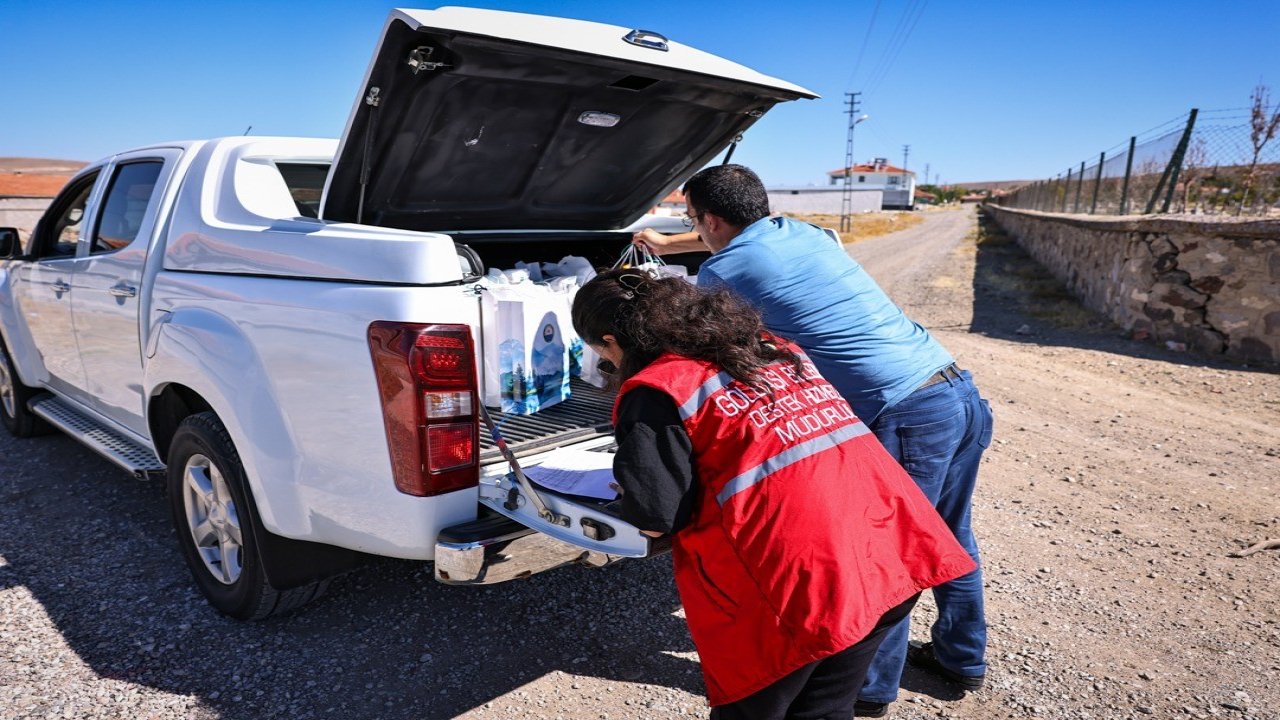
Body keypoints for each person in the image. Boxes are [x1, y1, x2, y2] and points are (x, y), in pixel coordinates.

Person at [635, 165, 994, 718]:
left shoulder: (720, 272)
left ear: (709, 220)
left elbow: (699, 341)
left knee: (886, 556)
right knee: (947, 535)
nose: (695, 231)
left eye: (693, 222)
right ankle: (962, 659)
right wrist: (663, 240)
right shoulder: (800, 231)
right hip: (955, 390)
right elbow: (727, 234)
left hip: (903, 412)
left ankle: (867, 693)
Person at [571, 268, 977, 720]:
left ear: (611, 342)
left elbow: (657, 517)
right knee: (825, 710)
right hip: (891, 555)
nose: (608, 366)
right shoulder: (771, 348)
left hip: (806, 592)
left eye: (603, 357)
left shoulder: (659, 390)